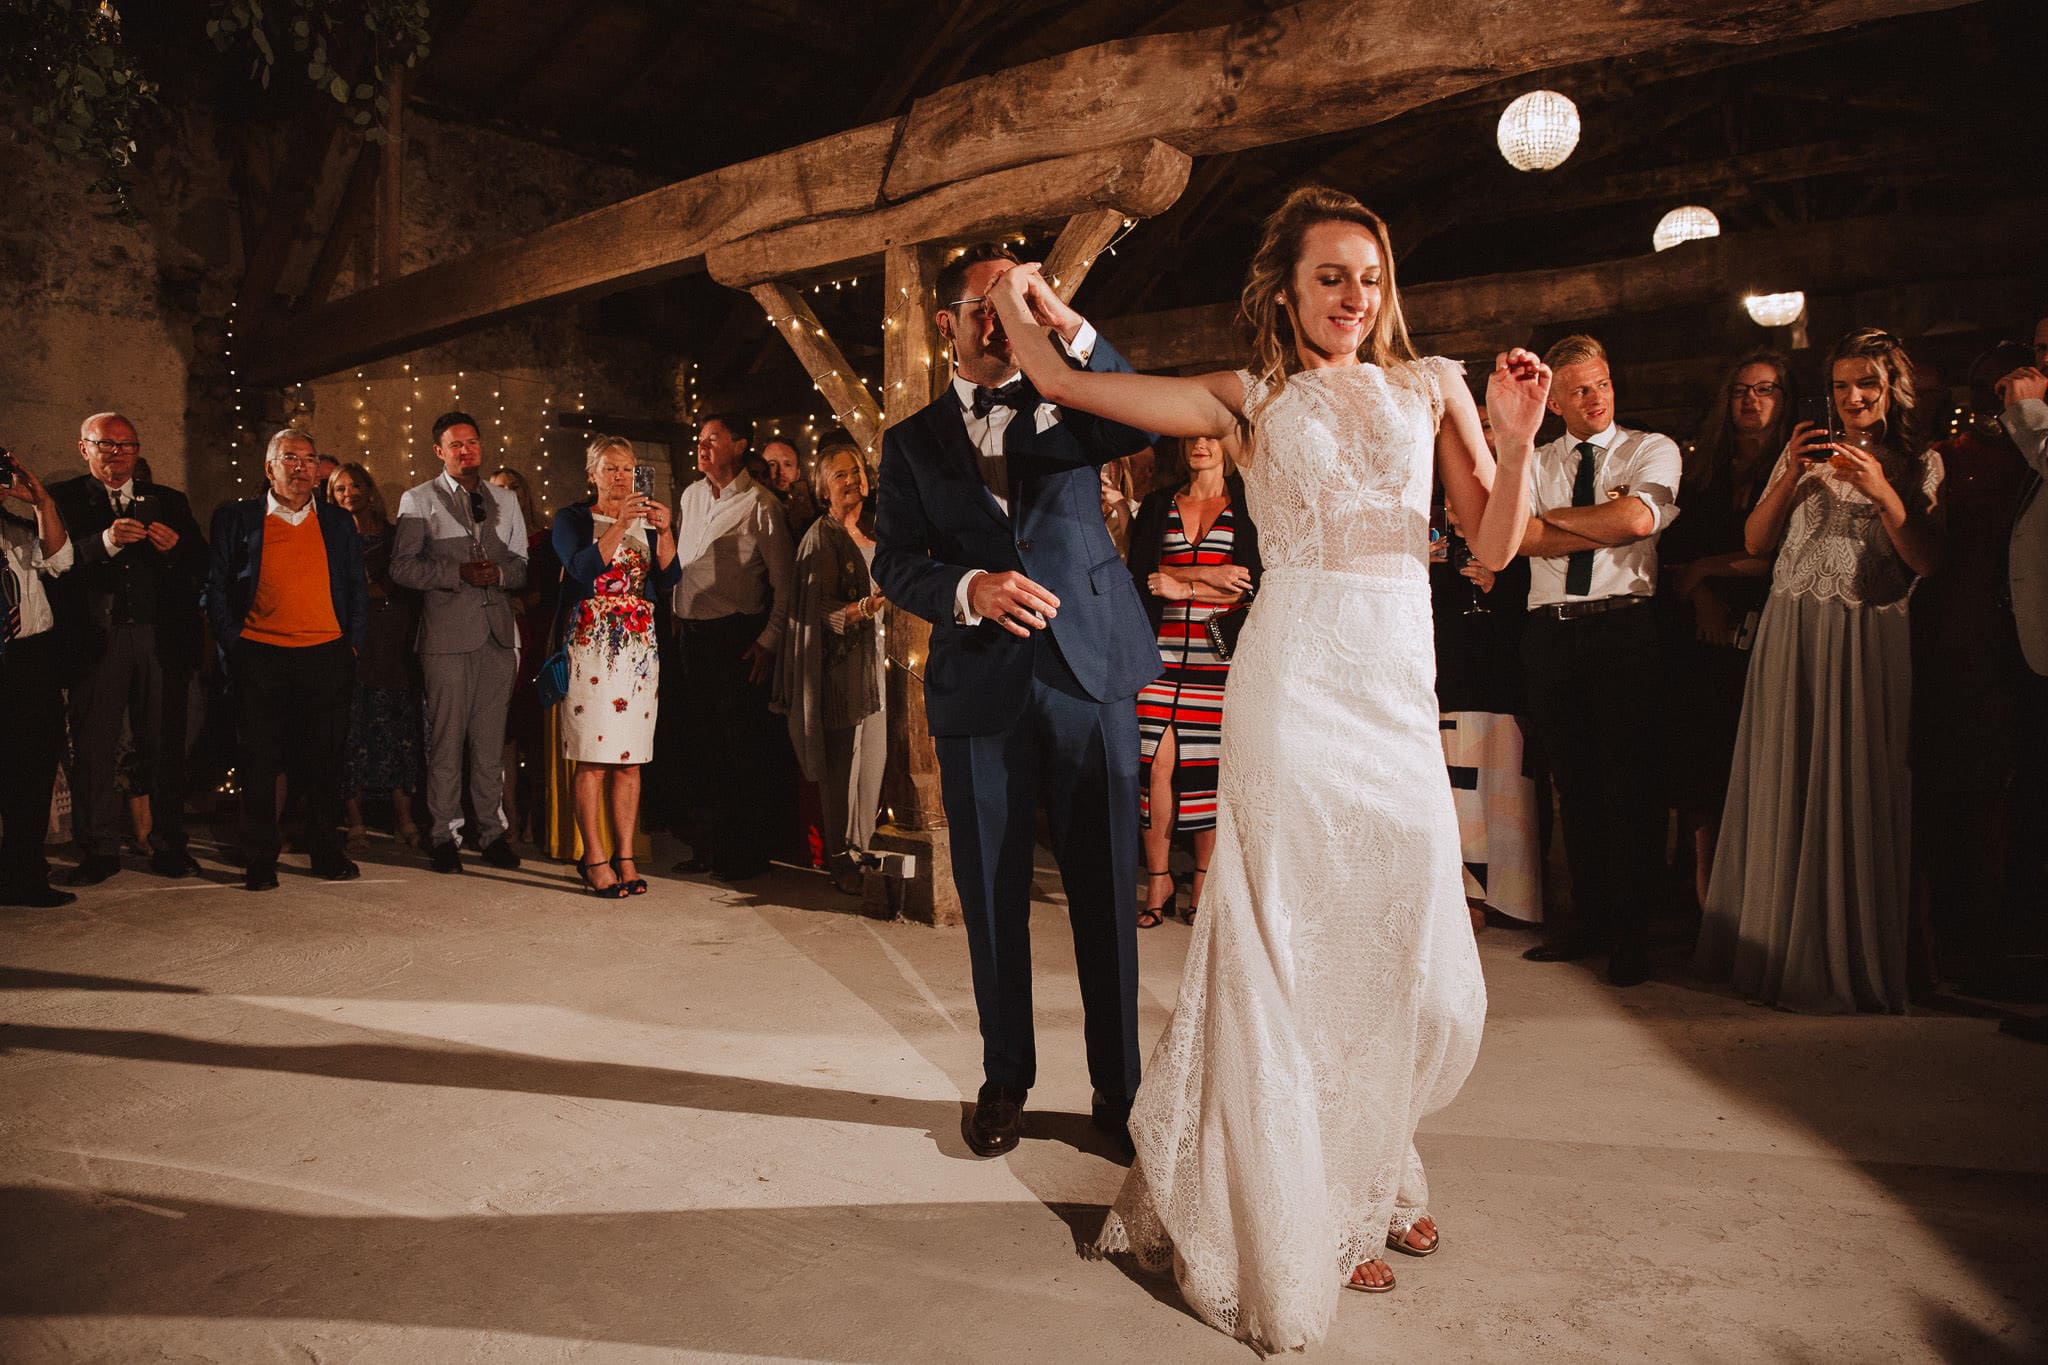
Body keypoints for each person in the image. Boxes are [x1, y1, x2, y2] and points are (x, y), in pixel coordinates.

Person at [984, 188, 1546, 1349]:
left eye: (1370, 278)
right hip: (1290, 694)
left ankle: (1376, 1155)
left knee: (1416, 962)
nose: (1354, 298)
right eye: (1330, 276)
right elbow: (1063, 385)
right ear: (1283, 290)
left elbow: (1492, 550)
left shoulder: (1431, 384)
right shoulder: (1248, 399)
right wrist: (1014, 294)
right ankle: (1315, 1210)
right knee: (1289, 953)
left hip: (1392, 699)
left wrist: (1520, 434)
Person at [875, 240, 1160, 1161]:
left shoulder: (1073, 401)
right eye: (981, 304)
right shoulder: (910, 443)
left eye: (1013, 302)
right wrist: (969, 589)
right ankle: (1007, 1082)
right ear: (949, 326)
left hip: (1088, 673)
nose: (997, 317)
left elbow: (1140, 426)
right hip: (980, 683)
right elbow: (896, 563)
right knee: (992, 896)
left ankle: (1120, 1091)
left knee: (1106, 892)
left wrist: (1062, 317)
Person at [1697, 327, 1945, 1013]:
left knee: (1855, 781)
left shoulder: (1918, 461)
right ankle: (1771, 946)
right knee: (1785, 775)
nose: (1853, 396)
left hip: (1864, 632)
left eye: (1865, 382)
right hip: (1791, 628)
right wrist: (1792, 476)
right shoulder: (1802, 447)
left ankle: (1838, 956)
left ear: (1891, 386)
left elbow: (1924, 560)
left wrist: (1882, 490)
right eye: (1841, 385)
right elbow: (1754, 540)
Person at [1516, 334, 1682, 988]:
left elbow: (1639, 522)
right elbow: (1511, 538)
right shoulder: (1533, 459)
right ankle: (1587, 920)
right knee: (1574, 785)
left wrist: (1551, 524)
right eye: (1580, 389)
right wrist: (1599, 515)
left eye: (1602, 384)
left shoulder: (1650, 448)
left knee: (1631, 787)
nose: (1595, 397)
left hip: (1623, 626)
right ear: (1555, 400)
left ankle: (1631, 935)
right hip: (1552, 632)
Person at [204, 429, 369, 890]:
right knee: (258, 763)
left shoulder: (338, 522)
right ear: (269, 467)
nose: (301, 467)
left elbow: (357, 585)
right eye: (290, 458)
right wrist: (234, 642)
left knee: (324, 761)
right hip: (260, 654)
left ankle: (325, 851)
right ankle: (260, 858)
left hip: (326, 654)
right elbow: (215, 585)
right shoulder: (237, 518)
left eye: (309, 459)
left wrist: (352, 641)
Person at [47, 412, 208, 884]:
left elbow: (202, 561)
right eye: (107, 445)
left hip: (159, 638)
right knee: (95, 748)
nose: (118, 454)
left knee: (164, 745)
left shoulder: (169, 501)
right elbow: (53, 564)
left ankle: (169, 846)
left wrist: (175, 548)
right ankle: (98, 849)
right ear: (85, 448)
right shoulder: (65, 500)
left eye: (127, 445)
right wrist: (103, 542)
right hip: (99, 639)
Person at [1656, 353, 1789, 910]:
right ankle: (1699, 894)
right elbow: (1673, 556)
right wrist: (1703, 591)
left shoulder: (1791, 469)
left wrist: (1708, 570)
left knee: (1754, 765)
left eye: (1764, 390)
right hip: (1701, 634)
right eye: (1740, 390)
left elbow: (1781, 556)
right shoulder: (1704, 471)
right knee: (1698, 759)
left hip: (1770, 627)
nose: (1750, 401)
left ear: (1785, 400)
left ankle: (1752, 896)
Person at [1124, 433, 1261, 927]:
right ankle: (1158, 877)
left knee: (1207, 768)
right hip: (1159, 656)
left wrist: (1185, 581)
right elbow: (1139, 574)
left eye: (1212, 437)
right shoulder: (1162, 503)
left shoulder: (1247, 504)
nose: (1201, 444)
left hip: (1219, 657)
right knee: (1154, 765)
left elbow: (1252, 579)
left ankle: (1203, 876)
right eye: (1194, 437)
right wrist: (1210, 577)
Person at [390, 411, 529, 874]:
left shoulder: (505, 499)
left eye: (472, 443)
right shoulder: (418, 500)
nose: (466, 451)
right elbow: (402, 567)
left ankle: (491, 832)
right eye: (456, 445)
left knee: (490, 745)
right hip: (447, 637)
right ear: (439, 451)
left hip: (498, 635)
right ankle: (442, 834)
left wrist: (503, 574)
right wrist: (457, 574)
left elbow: (523, 565)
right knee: (447, 742)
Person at [665, 413, 794, 882]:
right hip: (693, 635)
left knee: (739, 748)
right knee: (699, 745)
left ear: (739, 446)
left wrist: (768, 641)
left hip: (737, 637)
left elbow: (785, 584)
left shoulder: (761, 505)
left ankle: (744, 854)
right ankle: (706, 847)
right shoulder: (691, 495)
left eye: (712, 440)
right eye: (698, 440)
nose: (701, 447)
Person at [552, 436, 679, 896]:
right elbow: (582, 569)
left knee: (630, 760)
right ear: (592, 474)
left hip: (639, 649)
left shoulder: (644, 521)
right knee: (594, 759)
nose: (620, 477)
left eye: (626, 469)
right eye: (610, 469)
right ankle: (594, 856)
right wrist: (618, 524)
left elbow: (669, 579)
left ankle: (626, 855)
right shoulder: (571, 519)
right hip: (592, 644)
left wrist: (663, 533)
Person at [777, 443, 887, 896]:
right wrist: (865, 608)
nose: (850, 480)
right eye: (839, 475)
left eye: (855, 471)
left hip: (879, 664)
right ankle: (840, 858)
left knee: (874, 761)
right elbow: (817, 608)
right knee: (843, 765)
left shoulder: (879, 533)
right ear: (823, 487)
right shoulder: (820, 537)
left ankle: (862, 847)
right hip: (839, 669)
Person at [328, 463, 422, 852]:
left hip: (392, 643)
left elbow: (408, 583)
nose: (348, 493)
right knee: (351, 734)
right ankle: (355, 822)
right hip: (347, 642)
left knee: (398, 734)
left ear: (369, 490)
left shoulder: (394, 536)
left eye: (355, 485)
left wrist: (379, 589)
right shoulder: (329, 535)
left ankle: (405, 819)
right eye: (338, 489)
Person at [0, 452, 78, 908]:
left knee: (31, 774)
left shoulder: (21, 529)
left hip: (30, 659)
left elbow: (60, 561)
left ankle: (25, 877)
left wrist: (40, 501)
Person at [490, 465, 556, 845]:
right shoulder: (487, 540)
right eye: (501, 489)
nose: (510, 493)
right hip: (501, 638)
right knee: (505, 735)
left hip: (538, 636)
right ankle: (509, 818)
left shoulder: (546, 539)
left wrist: (525, 600)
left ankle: (540, 820)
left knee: (538, 734)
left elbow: (551, 589)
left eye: (515, 487)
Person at [760, 438, 820, 540]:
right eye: (772, 465)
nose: (780, 472)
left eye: (787, 465)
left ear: (798, 473)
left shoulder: (814, 510)